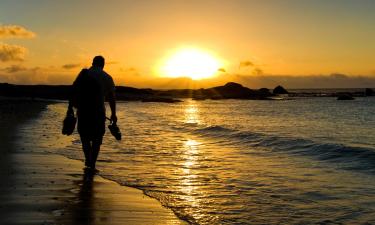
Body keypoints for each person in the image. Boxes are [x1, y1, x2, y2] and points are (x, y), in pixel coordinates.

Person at [68, 56, 117, 170]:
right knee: (97, 138)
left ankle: (88, 158)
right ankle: (92, 163)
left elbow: (73, 91)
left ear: (92, 63)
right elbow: (111, 97)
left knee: (84, 137)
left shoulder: (84, 74)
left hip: (83, 111)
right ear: (103, 64)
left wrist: (70, 108)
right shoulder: (107, 77)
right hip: (98, 112)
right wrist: (113, 113)